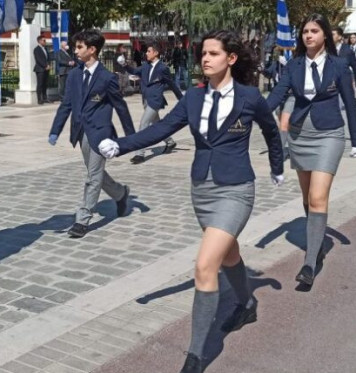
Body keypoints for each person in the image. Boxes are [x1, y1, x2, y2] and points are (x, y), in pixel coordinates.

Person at [98, 30, 284, 373]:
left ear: (231, 58)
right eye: (203, 53)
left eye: (214, 53)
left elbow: (272, 132)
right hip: (202, 189)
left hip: (236, 189)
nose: (205, 58)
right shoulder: (194, 98)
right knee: (228, 255)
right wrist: (121, 145)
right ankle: (247, 304)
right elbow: (162, 129)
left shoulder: (249, 96)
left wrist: (277, 167)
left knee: (204, 266)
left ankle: (195, 356)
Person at [266, 14, 356, 287]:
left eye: (314, 31)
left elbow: (350, 103)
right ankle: (317, 241)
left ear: (325, 35)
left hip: (329, 134)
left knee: (319, 197)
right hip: (299, 135)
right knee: (308, 197)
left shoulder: (338, 65)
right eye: (305, 31)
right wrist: (253, 113)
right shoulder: (294, 65)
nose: (308, 35)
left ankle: (310, 263)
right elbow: (278, 94)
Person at [48, 29, 135, 239]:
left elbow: (120, 106)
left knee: (92, 176)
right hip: (80, 131)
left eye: (80, 47)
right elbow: (66, 104)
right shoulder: (74, 75)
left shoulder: (107, 77)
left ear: (92, 49)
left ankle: (83, 218)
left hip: (100, 132)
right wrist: (55, 130)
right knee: (95, 173)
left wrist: (131, 137)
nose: (75, 50)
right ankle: (120, 193)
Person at [118, 40, 183, 164]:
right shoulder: (145, 66)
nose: (146, 53)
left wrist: (182, 99)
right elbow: (134, 71)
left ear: (156, 53)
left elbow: (172, 84)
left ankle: (139, 154)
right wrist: (124, 64)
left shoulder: (163, 68)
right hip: (145, 99)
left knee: (144, 124)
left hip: (155, 100)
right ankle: (170, 142)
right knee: (157, 125)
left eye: (149, 51)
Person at [331, 28, 356, 96]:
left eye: (333, 34)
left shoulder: (348, 51)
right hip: (331, 85)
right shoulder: (327, 50)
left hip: (345, 84)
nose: (330, 36)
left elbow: (355, 68)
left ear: (339, 37)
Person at [34, 34, 50, 104]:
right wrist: (45, 66)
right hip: (40, 69)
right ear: (40, 41)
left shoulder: (45, 48)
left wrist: (48, 65)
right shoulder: (36, 49)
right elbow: (38, 59)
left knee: (45, 84)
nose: (45, 41)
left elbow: (48, 58)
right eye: (44, 40)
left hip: (46, 69)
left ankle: (45, 98)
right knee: (40, 84)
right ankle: (39, 99)